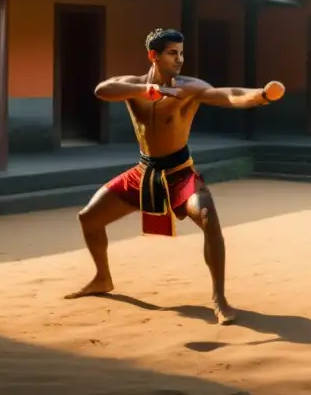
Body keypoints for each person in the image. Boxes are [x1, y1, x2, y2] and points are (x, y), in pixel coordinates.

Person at [64, 27, 286, 324]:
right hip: (144, 172)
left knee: (207, 217)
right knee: (88, 218)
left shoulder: (190, 88)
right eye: (172, 53)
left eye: (181, 54)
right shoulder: (133, 86)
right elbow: (102, 90)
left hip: (180, 173)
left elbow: (227, 94)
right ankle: (102, 278)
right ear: (153, 55)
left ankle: (219, 299)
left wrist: (261, 95)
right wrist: (147, 91)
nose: (179, 59)